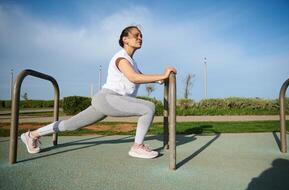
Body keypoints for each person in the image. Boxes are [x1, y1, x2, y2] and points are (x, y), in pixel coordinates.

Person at [21, 26, 177, 159]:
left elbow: (140, 76)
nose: (140, 38)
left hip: (108, 101)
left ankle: (32, 135)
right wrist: (162, 75)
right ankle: (137, 146)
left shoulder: (132, 62)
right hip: (108, 98)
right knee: (148, 108)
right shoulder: (121, 58)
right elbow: (134, 78)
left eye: (141, 36)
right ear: (125, 39)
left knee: (70, 125)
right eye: (136, 35)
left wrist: (159, 79)